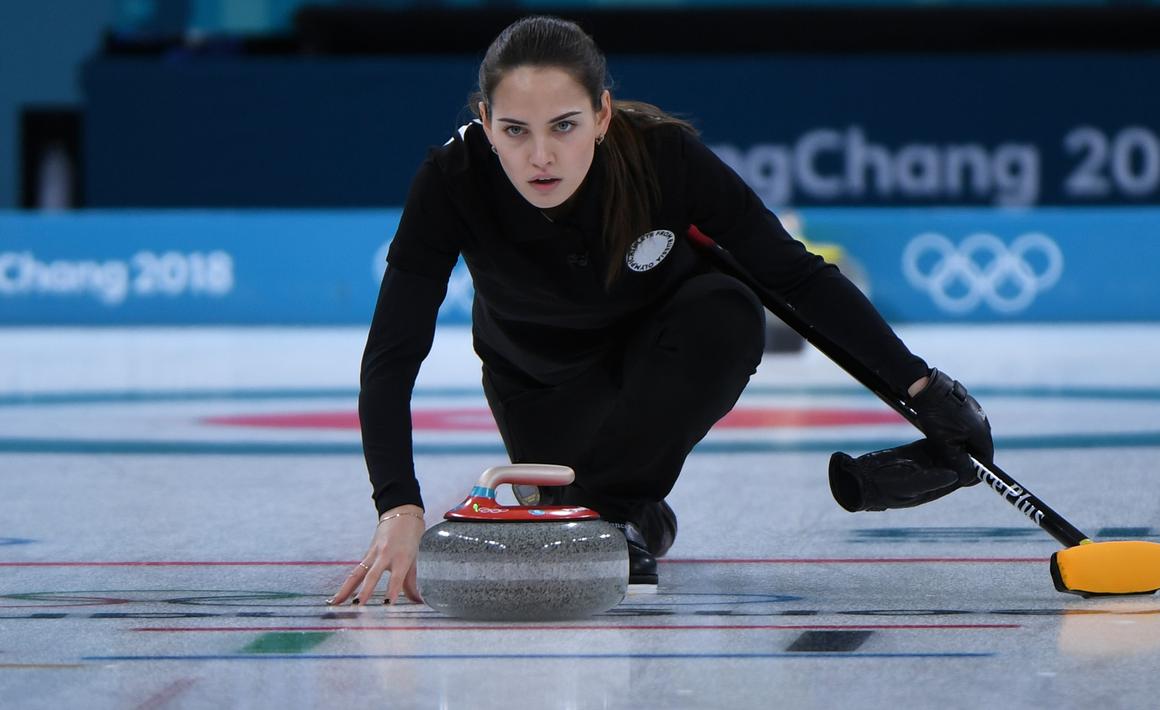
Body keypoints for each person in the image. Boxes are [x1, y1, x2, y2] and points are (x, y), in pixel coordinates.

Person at [328, 15, 993, 607]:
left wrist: (922, 386)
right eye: (514, 130)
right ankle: (626, 511)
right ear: (483, 119)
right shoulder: (451, 180)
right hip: (536, 382)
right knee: (574, 501)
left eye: (564, 125)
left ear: (603, 114)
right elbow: (392, 354)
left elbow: (793, 275)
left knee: (727, 308)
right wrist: (398, 505)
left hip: (661, 362)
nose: (540, 156)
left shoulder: (662, 157)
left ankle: (616, 509)